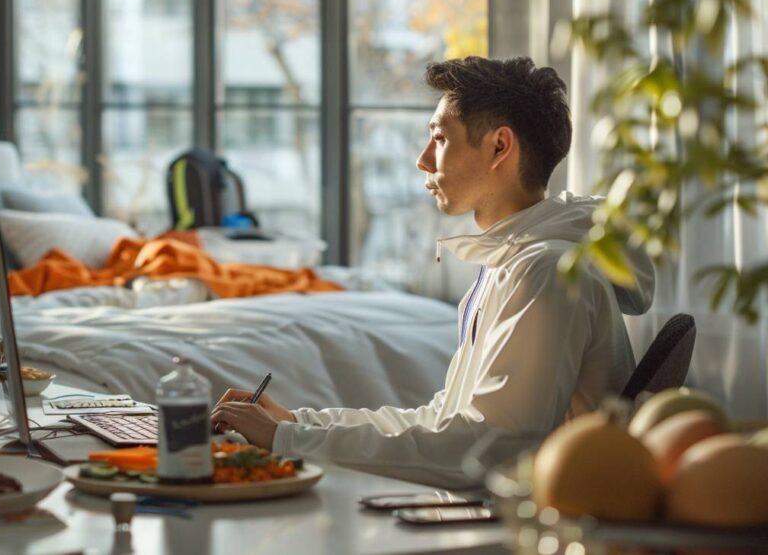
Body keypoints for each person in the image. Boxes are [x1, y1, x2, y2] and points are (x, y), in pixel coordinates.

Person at [210, 56, 655, 489]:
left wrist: (288, 439)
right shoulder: (512, 262)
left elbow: (490, 449)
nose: (424, 160)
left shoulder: (544, 272)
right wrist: (295, 423)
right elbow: (444, 420)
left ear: (500, 146)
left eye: (440, 138)